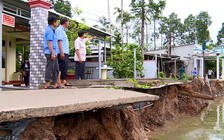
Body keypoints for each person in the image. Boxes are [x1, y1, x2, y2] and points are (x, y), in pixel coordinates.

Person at [44, 15, 59, 89]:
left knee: (56, 68)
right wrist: (52, 53)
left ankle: (55, 83)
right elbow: (49, 42)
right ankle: (47, 83)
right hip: (50, 52)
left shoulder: (53, 30)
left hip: (54, 52)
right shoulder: (49, 30)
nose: (57, 23)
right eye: (56, 21)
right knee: (50, 68)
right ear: (54, 22)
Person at [56, 17, 72, 87]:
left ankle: (63, 80)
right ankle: (58, 81)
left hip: (65, 51)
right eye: (68, 22)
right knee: (60, 67)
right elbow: (59, 41)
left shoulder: (63, 31)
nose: (69, 24)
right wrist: (61, 52)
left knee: (64, 67)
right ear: (65, 22)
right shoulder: (59, 30)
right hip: (61, 52)